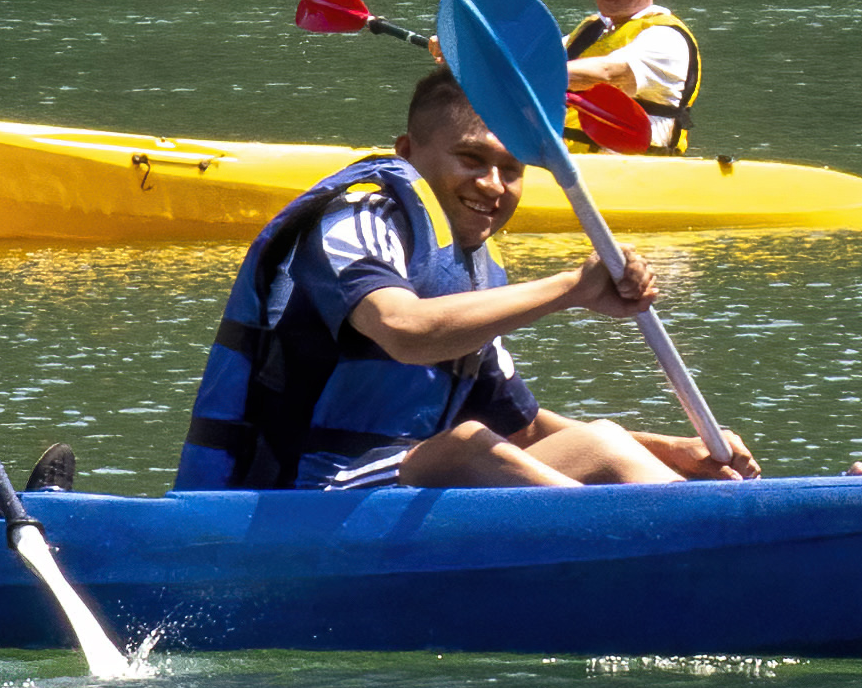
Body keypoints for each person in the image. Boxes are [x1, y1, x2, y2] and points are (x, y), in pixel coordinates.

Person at [173, 66, 757, 493]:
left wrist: (670, 450)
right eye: (471, 160)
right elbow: (405, 329)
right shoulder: (359, 215)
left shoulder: (473, 267)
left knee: (601, 440)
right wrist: (573, 289)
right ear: (408, 152)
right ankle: (662, 549)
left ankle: (719, 521)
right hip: (286, 503)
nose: (493, 185)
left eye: (510, 169)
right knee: (466, 448)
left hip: (382, 500)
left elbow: (519, 424)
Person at [566, 0, 698, 155]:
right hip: (571, 168)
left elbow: (607, 74)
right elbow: (535, 59)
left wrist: (532, 74)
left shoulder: (667, 39)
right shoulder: (590, 30)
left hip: (634, 178)